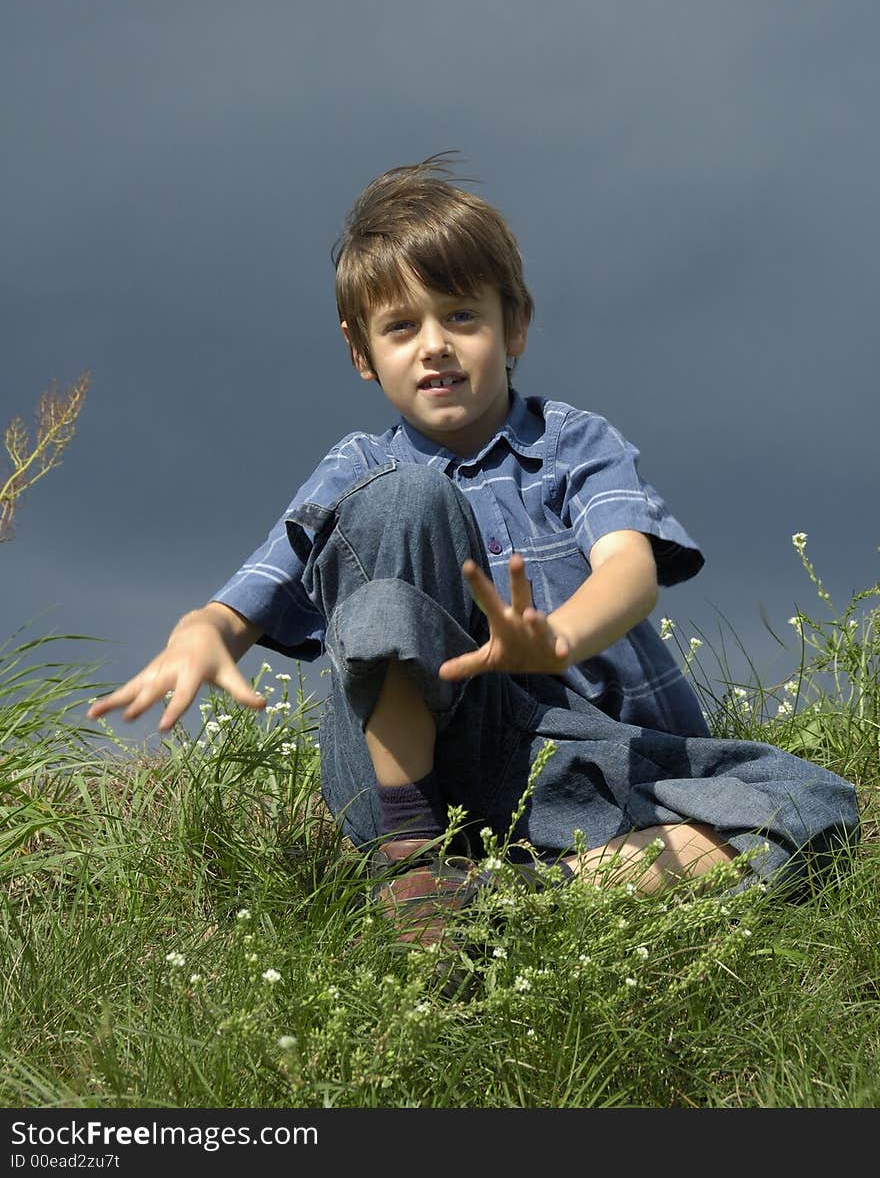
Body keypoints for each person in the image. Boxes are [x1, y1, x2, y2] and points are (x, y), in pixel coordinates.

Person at [88, 153, 860, 947]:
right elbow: (244, 600)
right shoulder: (360, 470)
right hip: (418, 754)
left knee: (819, 805)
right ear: (361, 352)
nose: (434, 345)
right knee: (404, 496)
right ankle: (410, 858)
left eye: (461, 316)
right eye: (401, 327)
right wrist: (199, 635)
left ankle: (519, 901)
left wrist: (559, 637)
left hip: (584, 768)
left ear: (513, 323)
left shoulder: (574, 443)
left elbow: (628, 567)